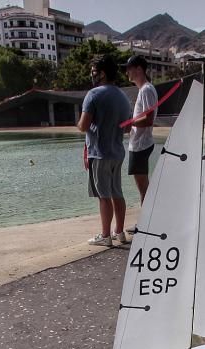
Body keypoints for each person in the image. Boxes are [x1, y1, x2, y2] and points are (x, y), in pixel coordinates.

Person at [78, 54, 132, 248]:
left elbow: (83, 126)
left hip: (99, 153)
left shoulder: (93, 95)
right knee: (117, 192)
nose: (92, 75)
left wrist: (82, 123)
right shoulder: (123, 96)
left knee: (103, 196)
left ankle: (105, 235)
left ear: (101, 73)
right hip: (117, 152)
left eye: (93, 71)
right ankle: (119, 232)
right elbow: (127, 128)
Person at [125, 55, 158, 205]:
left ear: (138, 69)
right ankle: (146, 221)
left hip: (141, 145)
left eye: (129, 69)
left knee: (143, 188)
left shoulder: (146, 90)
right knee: (143, 187)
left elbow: (149, 119)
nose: (127, 73)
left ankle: (145, 224)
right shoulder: (144, 89)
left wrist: (128, 124)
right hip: (139, 144)